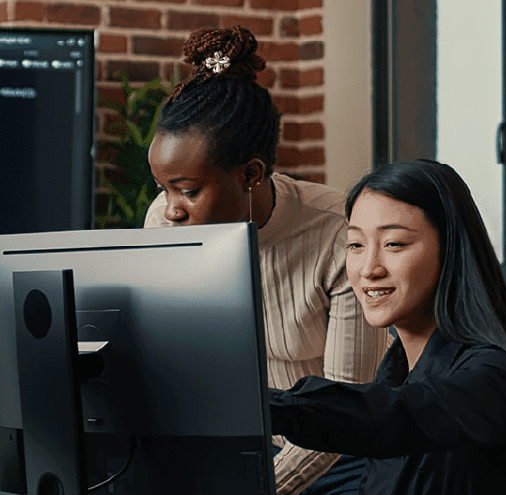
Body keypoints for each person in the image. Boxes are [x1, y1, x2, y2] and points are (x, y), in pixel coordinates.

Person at [141, 25, 390, 494]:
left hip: (342, 456)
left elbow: (344, 410)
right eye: (164, 187)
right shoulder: (167, 223)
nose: (171, 208)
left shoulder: (339, 235)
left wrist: (255, 487)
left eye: (189, 190)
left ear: (251, 174)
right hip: (237, 449)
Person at [268, 159, 506, 494]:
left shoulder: (499, 367)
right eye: (356, 244)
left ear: (450, 250)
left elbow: (405, 414)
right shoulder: (396, 370)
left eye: (394, 244)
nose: (368, 268)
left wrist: (264, 406)